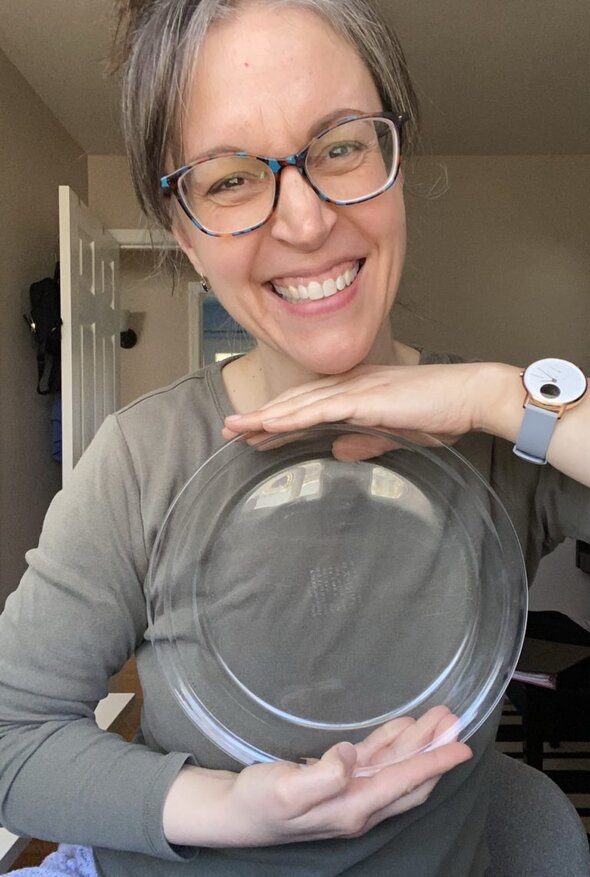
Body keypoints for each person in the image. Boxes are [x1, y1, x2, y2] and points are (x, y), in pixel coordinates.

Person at [1, 1, 589, 875]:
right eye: (230, 178)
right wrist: (234, 808)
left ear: (393, 162)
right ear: (183, 234)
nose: (306, 222)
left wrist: (500, 396)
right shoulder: (141, 457)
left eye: (341, 146)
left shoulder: (502, 441)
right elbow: (12, 743)